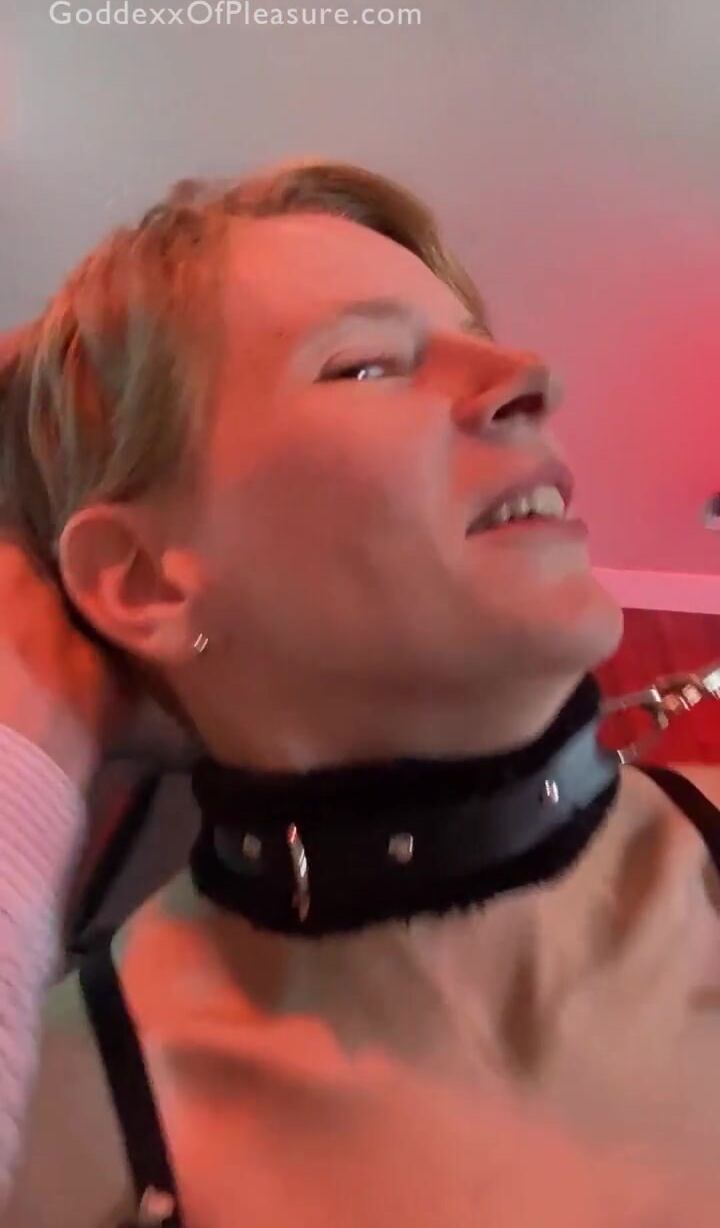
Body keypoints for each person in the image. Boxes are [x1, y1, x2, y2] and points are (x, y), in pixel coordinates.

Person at [2, 160, 720, 1227]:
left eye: (478, 336)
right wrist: (23, 737)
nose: (530, 374)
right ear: (144, 581)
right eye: (367, 365)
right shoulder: (61, 1132)